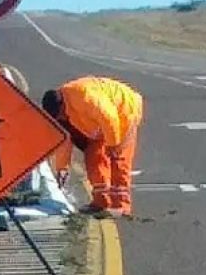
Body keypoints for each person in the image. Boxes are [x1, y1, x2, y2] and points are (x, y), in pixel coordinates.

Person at [41, 76, 144, 217]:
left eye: (60, 116)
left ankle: (121, 205)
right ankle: (101, 201)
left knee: (118, 158)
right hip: (99, 126)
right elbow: (65, 141)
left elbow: (110, 117)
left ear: (62, 106)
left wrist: (112, 145)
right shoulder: (63, 112)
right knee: (93, 157)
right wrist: (62, 168)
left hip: (124, 112)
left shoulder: (84, 96)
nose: (61, 119)